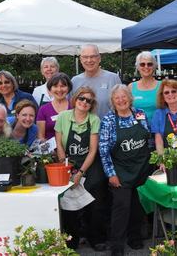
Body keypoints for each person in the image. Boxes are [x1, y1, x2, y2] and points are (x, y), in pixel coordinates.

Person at [99, 85, 150, 256]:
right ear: (112, 101)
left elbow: (147, 137)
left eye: (124, 97)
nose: (121, 100)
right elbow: (103, 149)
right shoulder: (109, 120)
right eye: (117, 98)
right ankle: (117, 246)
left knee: (138, 206)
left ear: (130, 97)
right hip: (120, 170)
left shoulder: (140, 113)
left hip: (142, 168)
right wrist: (110, 174)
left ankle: (134, 237)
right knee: (121, 207)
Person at [55, 87, 107, 251]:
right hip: (68, 164)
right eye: (82, 99)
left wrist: (81, 172)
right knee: (69, 204)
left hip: (90, 166)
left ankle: (95, 237)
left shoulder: (94, 120)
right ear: (75, 100)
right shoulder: (63, 117)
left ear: (92, 105)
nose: (85, 102)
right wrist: (66, 167)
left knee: (95, 204)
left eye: (89, 101)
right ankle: (72, 240)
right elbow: (59, 145)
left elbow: (93, 150)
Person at [71, 44, 122, 118]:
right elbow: (71, 108)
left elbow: (122, 106)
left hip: (107, 128)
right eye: (85, 57)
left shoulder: (113, 78)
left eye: (93, 56)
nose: (89, 60)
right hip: (81, 129)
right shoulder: (74, 81)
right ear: (81, 60)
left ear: (99, 58)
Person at [36, 73, 72, 141]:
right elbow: (41, 137)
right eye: (55, 86)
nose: (59, 89)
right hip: (51, 150)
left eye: (63, 86)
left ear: (69, 88)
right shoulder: (43, 110)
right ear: (50, 89)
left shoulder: (75, 107)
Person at [129, 51, 161, 123]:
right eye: (142, 64)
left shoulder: (162, 86)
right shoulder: (131, 87)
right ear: (137, 67)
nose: (146, 67)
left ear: (154, 66)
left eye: (149, 64)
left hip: (158, 130)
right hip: (138, 130)